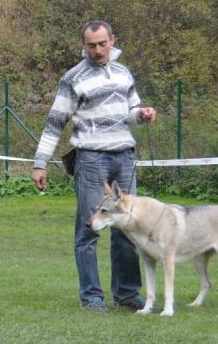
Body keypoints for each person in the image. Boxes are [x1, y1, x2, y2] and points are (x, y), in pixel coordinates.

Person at [31, 20, 156, 312]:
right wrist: (40, 164)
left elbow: (131, 114)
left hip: (124, 156)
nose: (98, 50)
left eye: (103, 43)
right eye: (91, 45)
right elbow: (55, 123)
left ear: (112, 40)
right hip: (90, 159)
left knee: (127, 228)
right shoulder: (72, 77)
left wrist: (144, 114)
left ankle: (126, 295)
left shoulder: (124, 73)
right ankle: (92, 297)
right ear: (83, 45)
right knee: (89, 230)